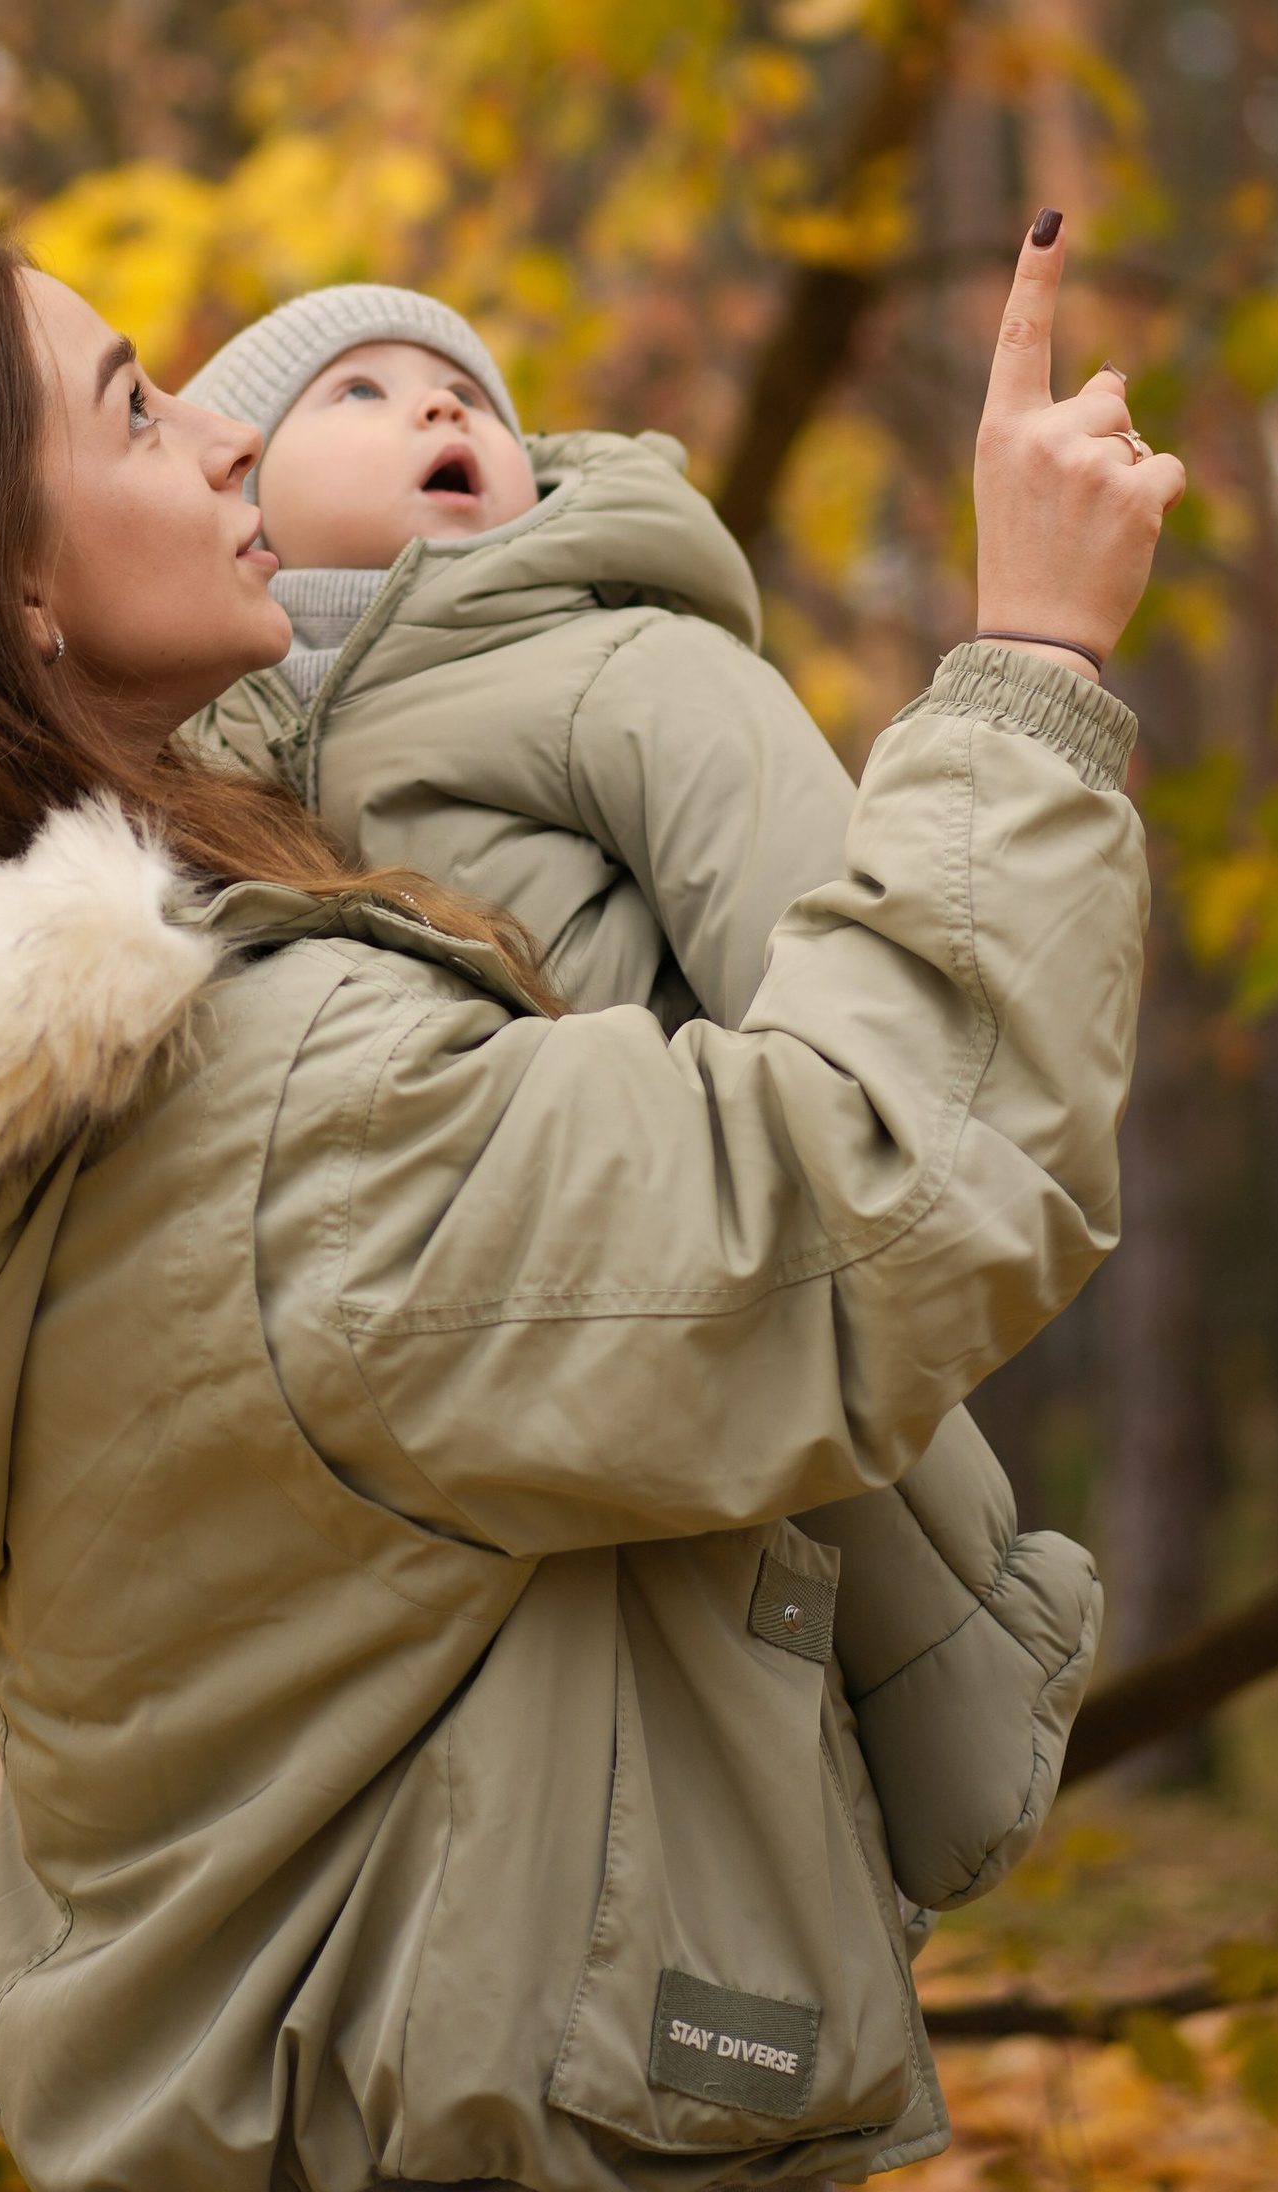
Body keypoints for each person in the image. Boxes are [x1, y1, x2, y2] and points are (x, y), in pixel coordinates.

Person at [0, 215, 1179, 2192]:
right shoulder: (274, 1123)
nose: (227, 432)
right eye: (136, 412)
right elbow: (867, 1198)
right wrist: (1031, 663)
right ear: (13, 590)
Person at [177, 285, 1108, 1921]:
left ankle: (955, 1689)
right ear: (233, 490)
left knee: (818, 1646)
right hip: (433, 1430)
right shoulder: (204, 771)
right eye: (359, 391)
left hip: (681, 1271)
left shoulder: (617, 662)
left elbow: (835, 971)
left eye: (469, 392)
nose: (442, 411)